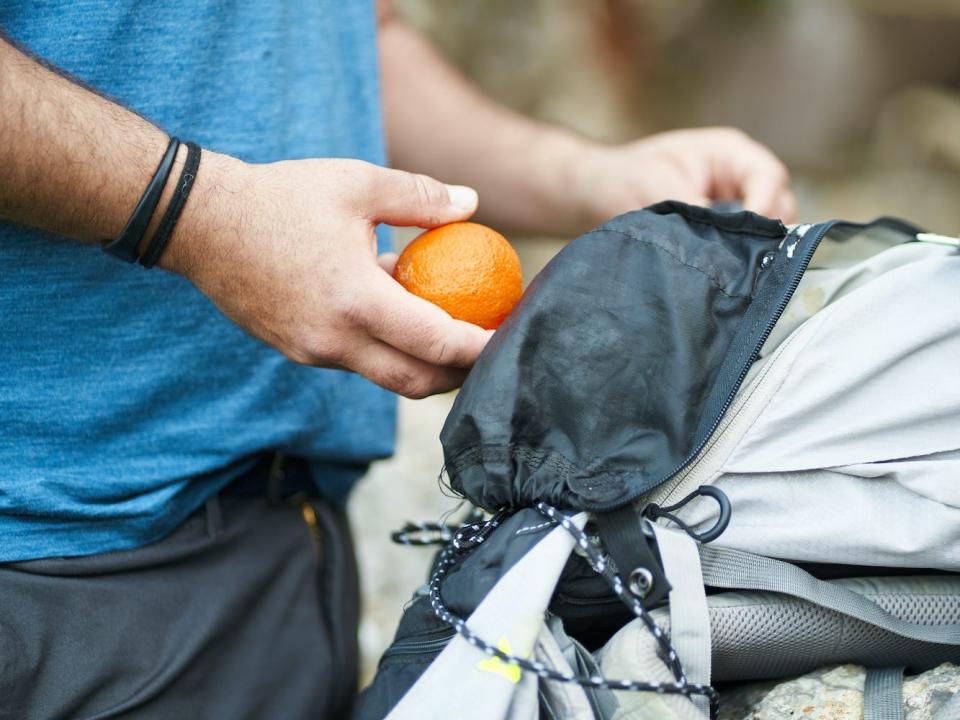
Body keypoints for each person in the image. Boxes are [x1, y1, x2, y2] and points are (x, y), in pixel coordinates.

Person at [0, 1, 796, 718]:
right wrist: (195, 213)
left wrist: (592, 178)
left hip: (284, 538)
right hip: (57, 560)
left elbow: (352, 38)